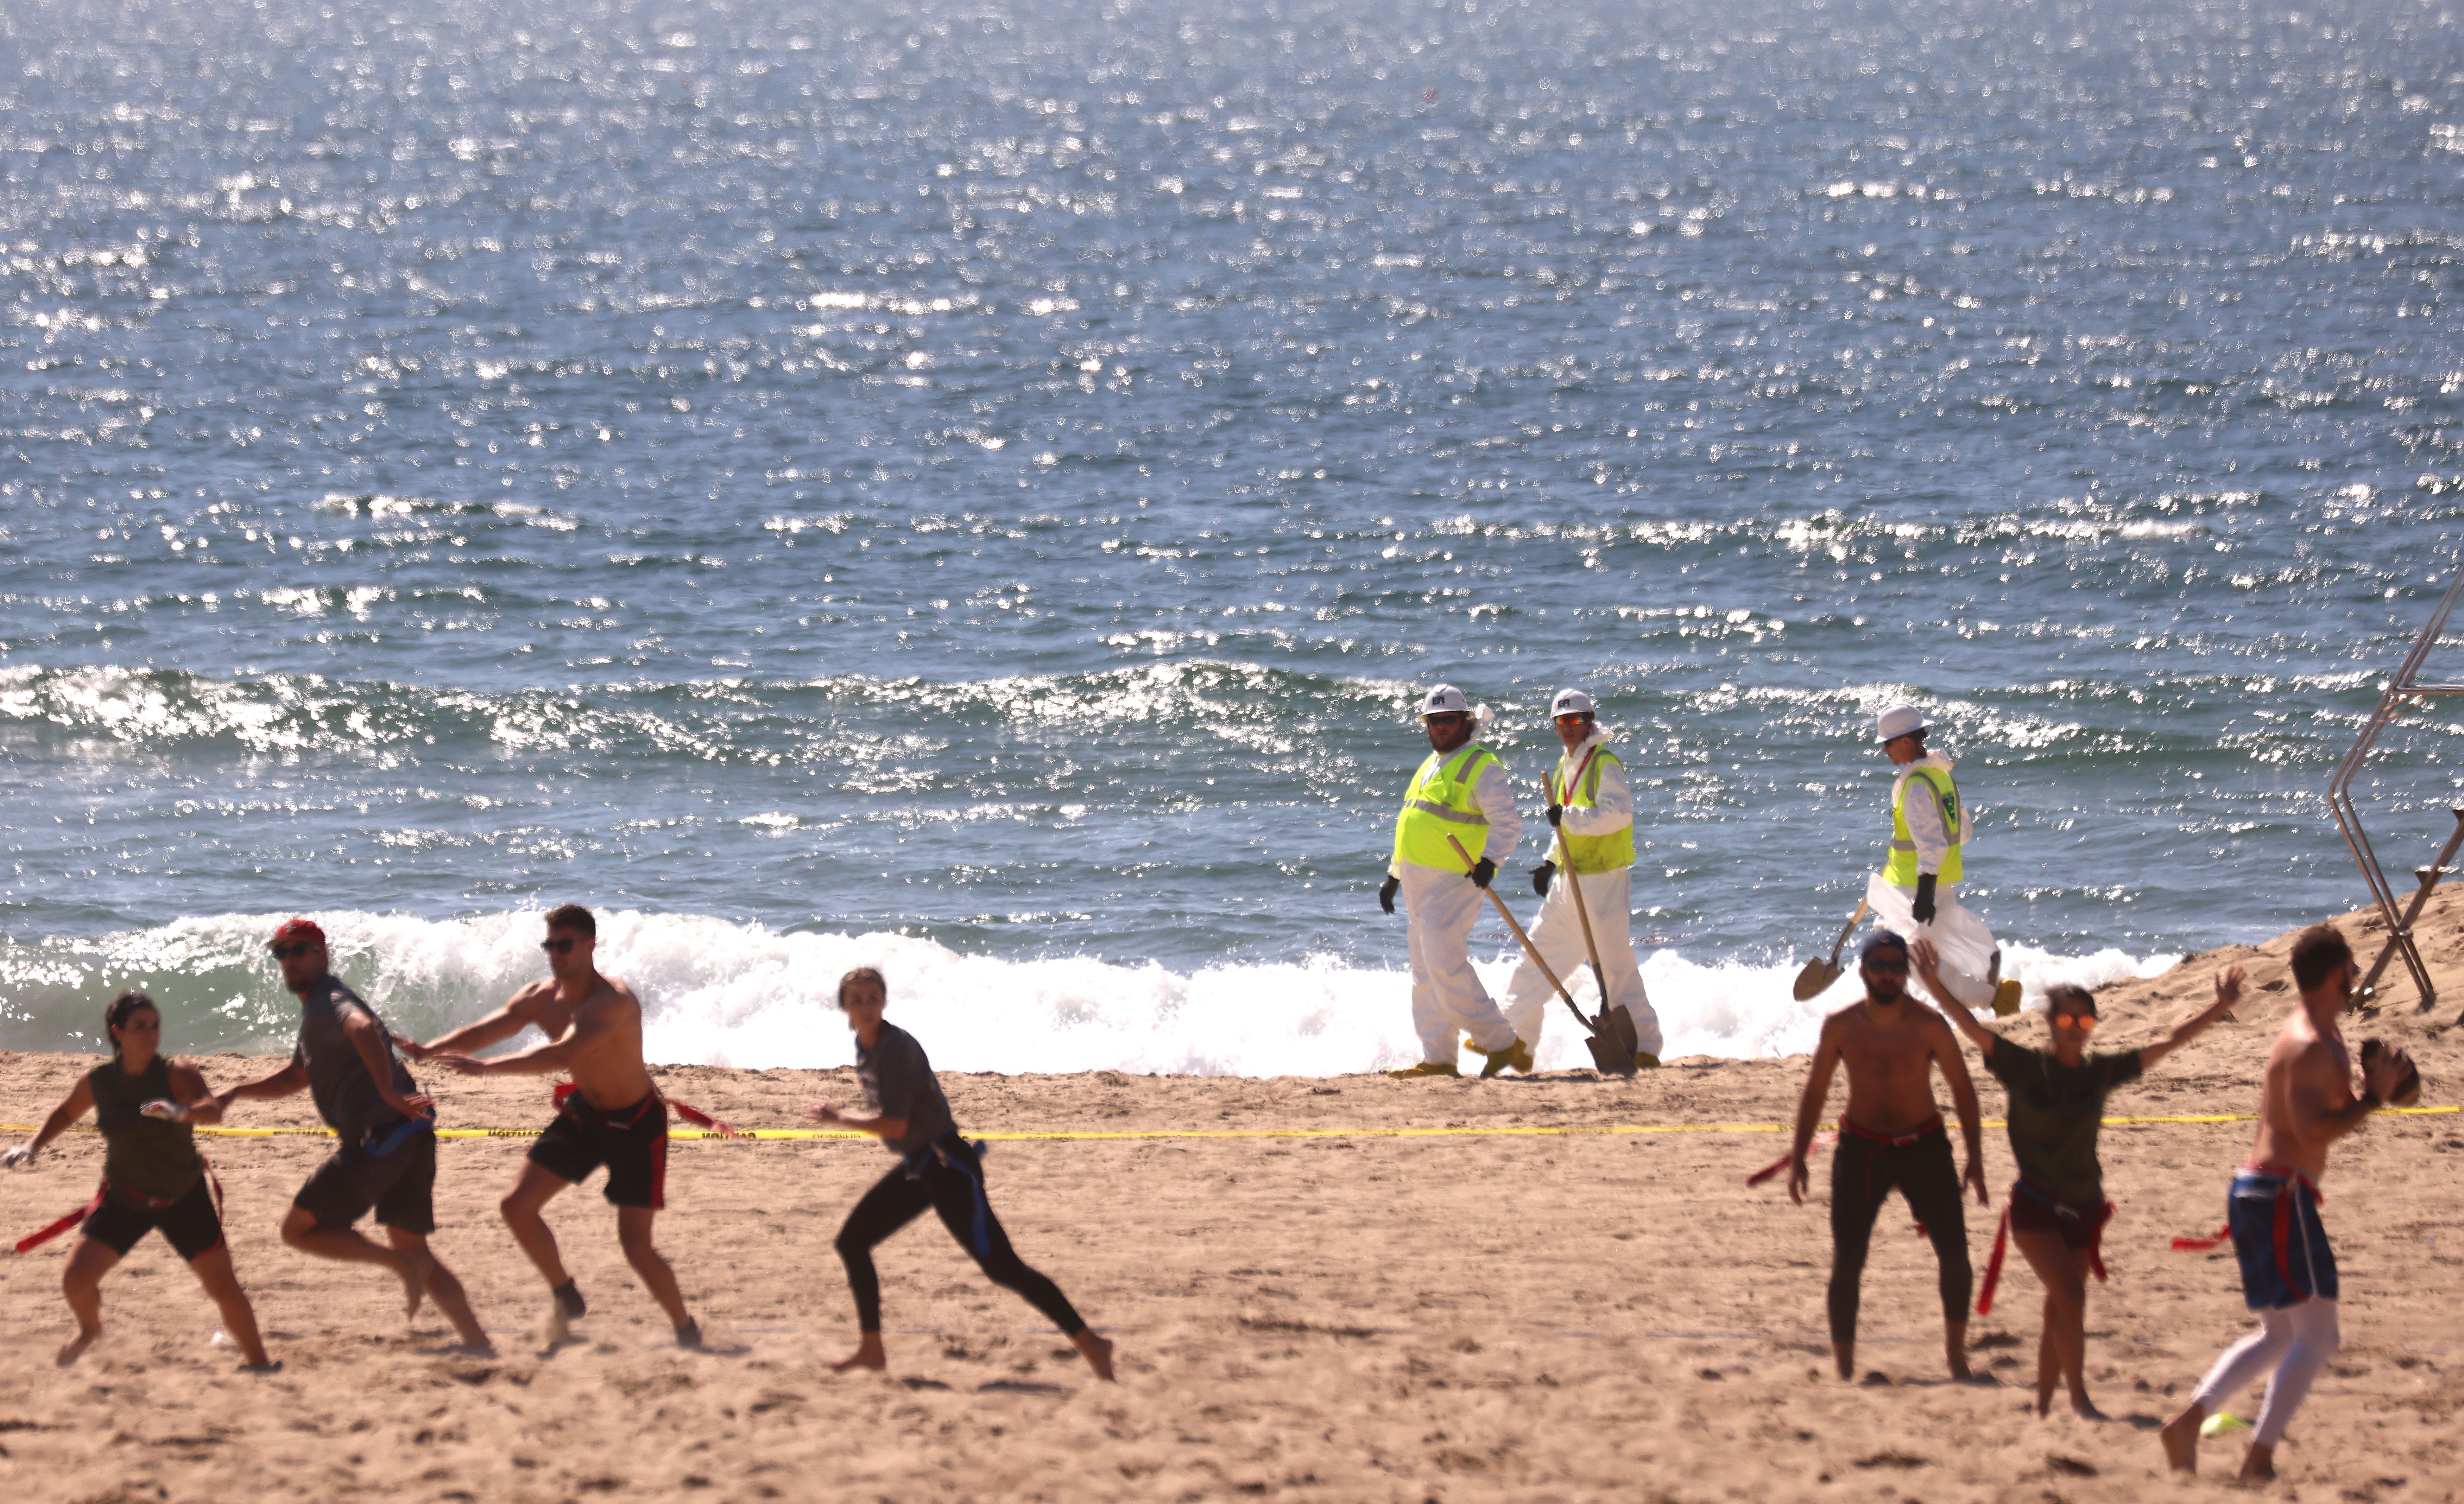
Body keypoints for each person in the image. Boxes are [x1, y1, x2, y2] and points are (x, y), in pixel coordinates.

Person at [1914, 939, 2244, 1418]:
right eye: (2067, 1020)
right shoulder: (2023, 1065)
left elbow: (2166, 1041)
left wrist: (2220, 1006)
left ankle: (2044, 1404)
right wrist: (1930, 982)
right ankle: (2079, 1398)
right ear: (2050, 1022)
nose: (2075, 1029)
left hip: (2085, 1206)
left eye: (2084, 1021)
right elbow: (1969, 1027)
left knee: (2058, 1307)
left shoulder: (2098, 1073)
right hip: (2034, 1205)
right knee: (2071, 1294)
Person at [2160, 924, 2413, 1483]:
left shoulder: (2317, 1034)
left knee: (2280, 1335)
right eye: (2350, 966)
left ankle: (2189, 1423)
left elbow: (2322, 1112)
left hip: (2261, 1193)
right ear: (2333, 974)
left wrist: (2374, 1088)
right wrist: (2373, 1099)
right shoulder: (2309, 1044)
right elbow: (2310, 1129)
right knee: (2319, 1336)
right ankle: (2259, 1456)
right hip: (2279, 1196)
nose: (2355, 975)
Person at [412, 905, 701, 1348]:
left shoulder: (614, 1002)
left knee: (636, 1247)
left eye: (565, 945)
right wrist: (429, 1050)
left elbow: (560, 1055)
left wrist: (485, 1071)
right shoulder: (541, 997)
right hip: (587, 1115)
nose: (556, 954)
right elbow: (486, 1030)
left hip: (637, 1124)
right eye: (550, 945)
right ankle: (565, 1292)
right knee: (516, 1206)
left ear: (590, 947)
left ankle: (685, 1327)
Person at [806, 966, 1114, 1382]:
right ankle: (872, 1348)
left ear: (885, 1001)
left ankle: (1091, 1342)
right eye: (857, 1000)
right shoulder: (865, 1044)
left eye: (873, 998)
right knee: (853, 1242)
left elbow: (895, 1125)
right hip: (921, 1166)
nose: (866, 1007)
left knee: (1004, 1269)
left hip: (947, 1167)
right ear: (844, 1005)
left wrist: (842, 1119)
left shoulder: (897, 1049)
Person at [214, 918, 491, 1352]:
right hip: (411, 1135)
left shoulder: (329, 1002)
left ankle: (400, 1267)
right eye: (280, 953)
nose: (289, 960)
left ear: (322, 954)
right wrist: (235, 1091)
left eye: (299, 950)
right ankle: (476, 1339)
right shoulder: (319, 1008)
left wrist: (384, 1089)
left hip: (378, 1142)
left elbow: (361, 1028)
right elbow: (294, 1078)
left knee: (297, 1231)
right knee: (416, 1250)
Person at [2, 990, 276, 1370]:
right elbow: (66, 1112)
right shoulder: (99, 1081)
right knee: (76, 1281)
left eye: (155, 1025)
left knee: (223, 1288)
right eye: (139, 1027)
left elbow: (212, 1111)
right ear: (118, 1032)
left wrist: (178, 1112)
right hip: (125, 1198)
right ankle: (90, 1331)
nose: (151, 1035)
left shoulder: (177, 1073)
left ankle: (260, 1363)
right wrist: (33, 1145)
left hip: (183, 1197)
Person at [1786, 929, 1988, 1381]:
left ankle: (1956, 1357)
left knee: (1955, 1256)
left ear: (1907, 974)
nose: (1889, 974)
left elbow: (1963, 1089)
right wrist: (1798, 1156)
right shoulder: (1842, 1026)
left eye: (1898, 966)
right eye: (1879, 965)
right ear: (1862, 972)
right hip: (1861, 1149)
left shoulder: (1929, 1025)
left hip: (1925, 1146)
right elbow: (1816, 1091)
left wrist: (1975, 1159)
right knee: (1848, 1260)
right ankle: (1844, 1366)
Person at [1502, 688, 1663, 1071]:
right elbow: (1564, 828)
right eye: (1561, 722)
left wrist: (1569, 817)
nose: (1568, 728)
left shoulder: (1604, 763)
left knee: (1615, 969)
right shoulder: (1565, 765)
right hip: (1569, 880)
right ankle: (1514, 1040)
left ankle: (1646, 1046)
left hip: (1603, 880)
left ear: (1589, 720)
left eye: (1575, 720)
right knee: (1537, 958)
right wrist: (1548, 861)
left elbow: (1618, 814)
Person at [1378, 684, 1527, 1078]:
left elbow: (1508, 822)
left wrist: (1491, 861)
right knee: (1425, 972)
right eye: (1434, 721)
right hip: (1416, 881)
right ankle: (1439, 1059)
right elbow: (1410, 823)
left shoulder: (1481, 764)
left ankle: (1504, 1043)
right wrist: (1393, 876)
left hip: (1455, 879)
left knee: (1444, 962)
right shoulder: (1431, 765)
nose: (1440, 727)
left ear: (1466, 722)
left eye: (1448, 720)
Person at [1865, 705, 2018, 1016]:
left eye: (1889, 742)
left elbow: (1932, 843)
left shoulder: (1918, 785)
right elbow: (1962, 831)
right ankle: (1901, 1009)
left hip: (1916, 888)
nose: (1885, 750)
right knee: (1915, 951)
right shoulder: (1940, 775)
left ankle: (1992, 996)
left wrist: (1924, 892)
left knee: (1905, 956)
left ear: (1907, 741)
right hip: (1934, 882)